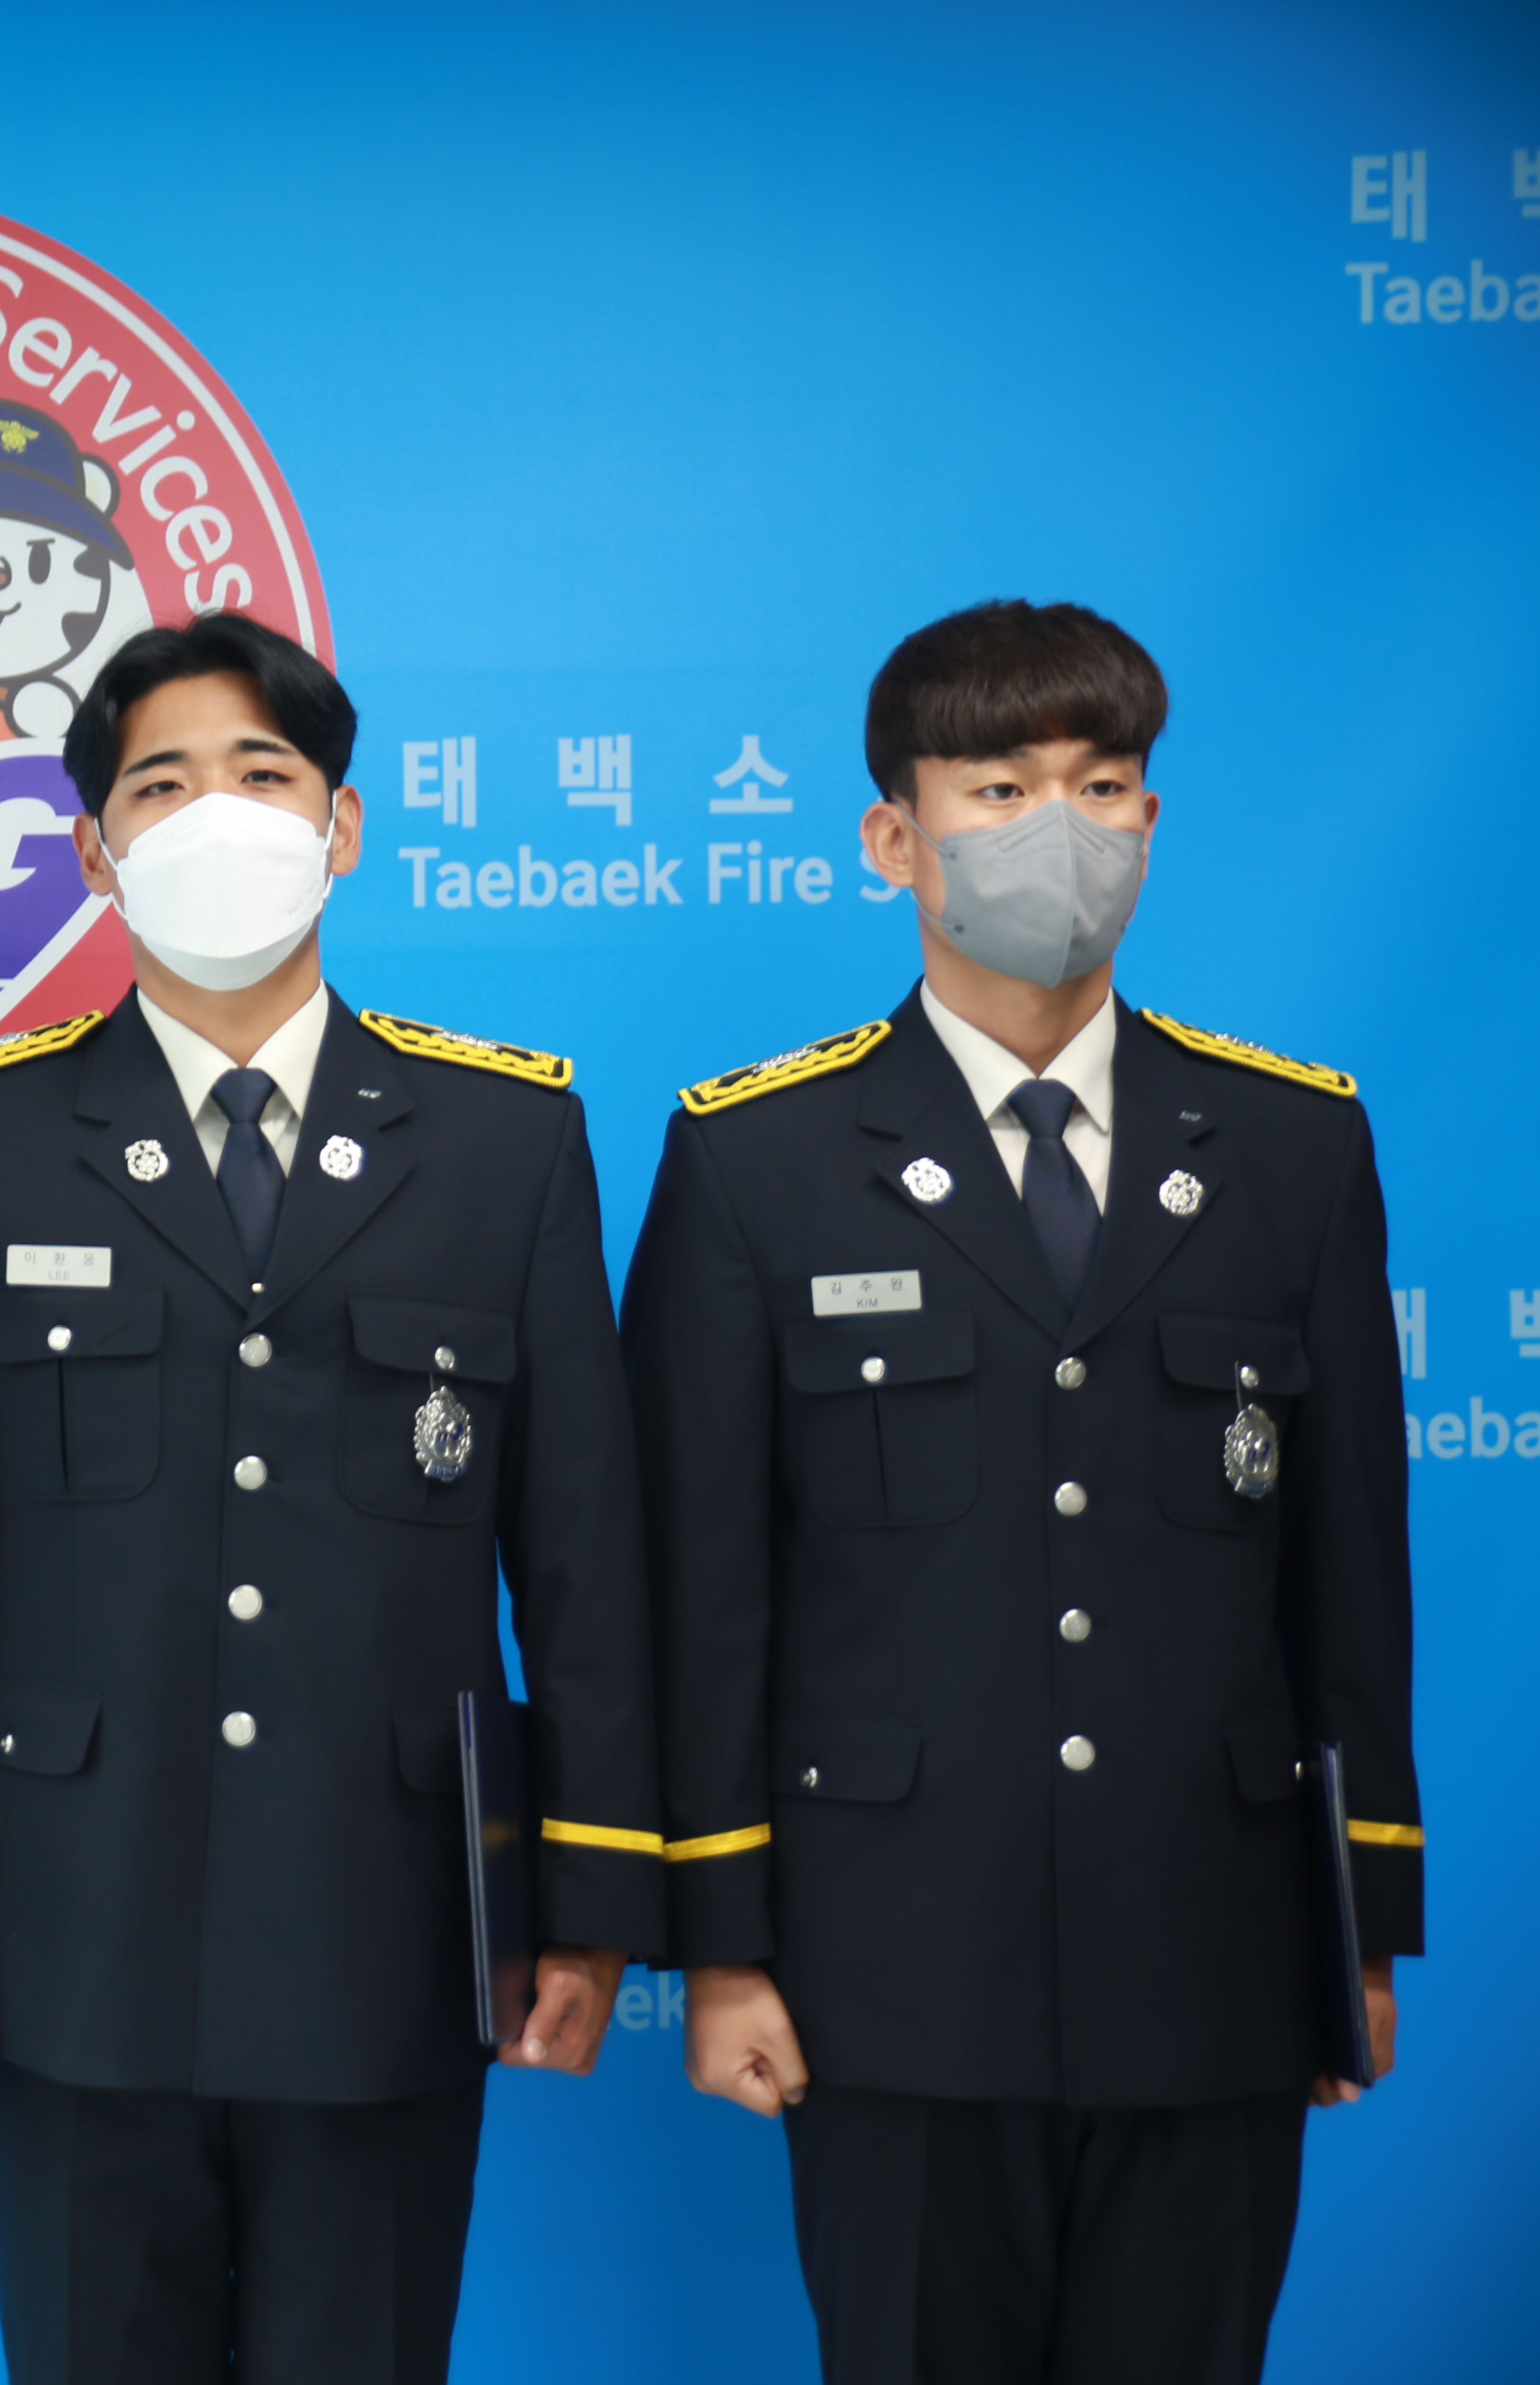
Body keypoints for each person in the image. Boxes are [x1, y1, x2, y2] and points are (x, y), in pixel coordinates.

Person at [0, 611, 664, 2384]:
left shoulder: (504, 1142)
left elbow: (585, 1563)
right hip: (69, 1937)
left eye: (263, 776)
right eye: (162, 785)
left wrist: (590, 1899)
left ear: (341, 826)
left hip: (393, 1934)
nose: (216, 815)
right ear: (93, 850)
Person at [624, 600, 1420, 2385]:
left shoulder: (1294, 1145)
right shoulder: (755, 1159)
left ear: (1151, 819)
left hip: (1213, 1955)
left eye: (1102, 784)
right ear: (893, 838)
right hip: (891, 1969)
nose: (1059, 828)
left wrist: (1358, 1927)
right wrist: (724, 1950)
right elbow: (702, 1594)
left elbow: (1351, 1576)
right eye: (998, 788)